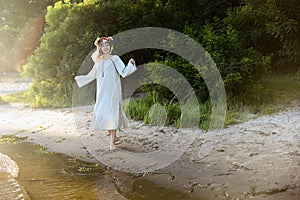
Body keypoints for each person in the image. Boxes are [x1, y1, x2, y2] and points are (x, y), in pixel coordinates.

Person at [74, 36, 136, 150]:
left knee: (112, 113)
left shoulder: (115, 59)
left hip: (113, 90)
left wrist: (130, 65)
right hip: (102, 92)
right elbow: (92, 75)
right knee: (102, 112)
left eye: (107, 45)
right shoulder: (98, 61)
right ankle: (114, 136)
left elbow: (123, 72)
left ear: (111, 47)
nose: (105, 47)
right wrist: (80, 79)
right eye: (103, 46)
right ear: (100, 48)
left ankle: (112, 143)